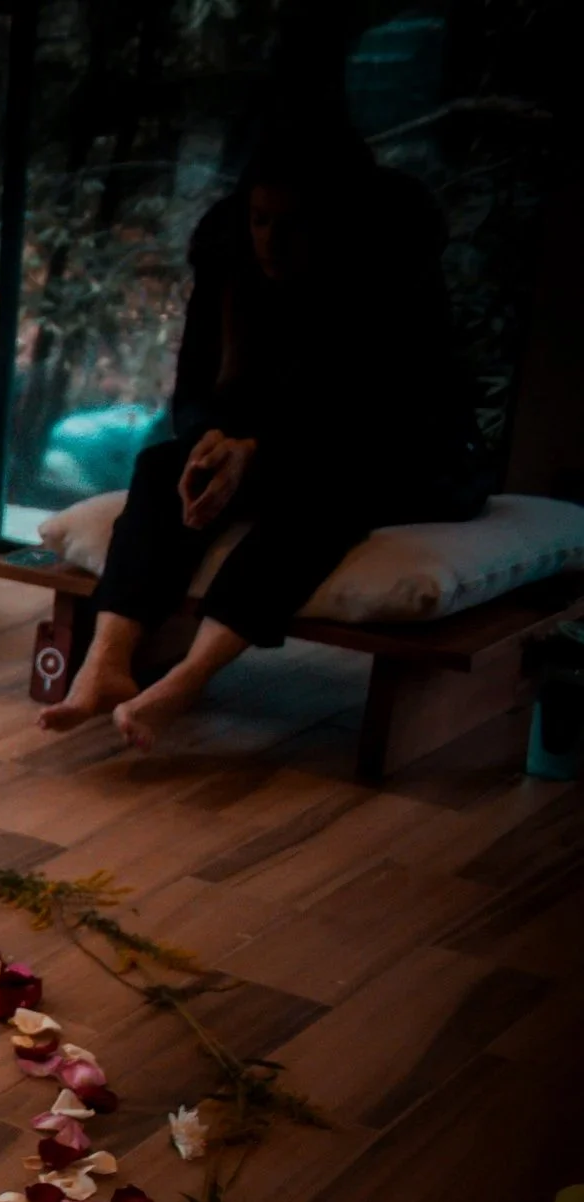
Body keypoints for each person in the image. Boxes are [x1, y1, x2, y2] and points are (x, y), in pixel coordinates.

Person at [37, 115, 486, 748]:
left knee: (325, 490)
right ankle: (107, 659)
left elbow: (376, 418)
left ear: (337, 223)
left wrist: (259, 451)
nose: (270, 241)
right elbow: (193, 390)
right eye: (259, 220)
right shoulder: (229, 263)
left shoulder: (392, 281)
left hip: (401, 453)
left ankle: (193, 673)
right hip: (265, 446)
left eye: (293, 224)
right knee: (164, 466)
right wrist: (210, 442)